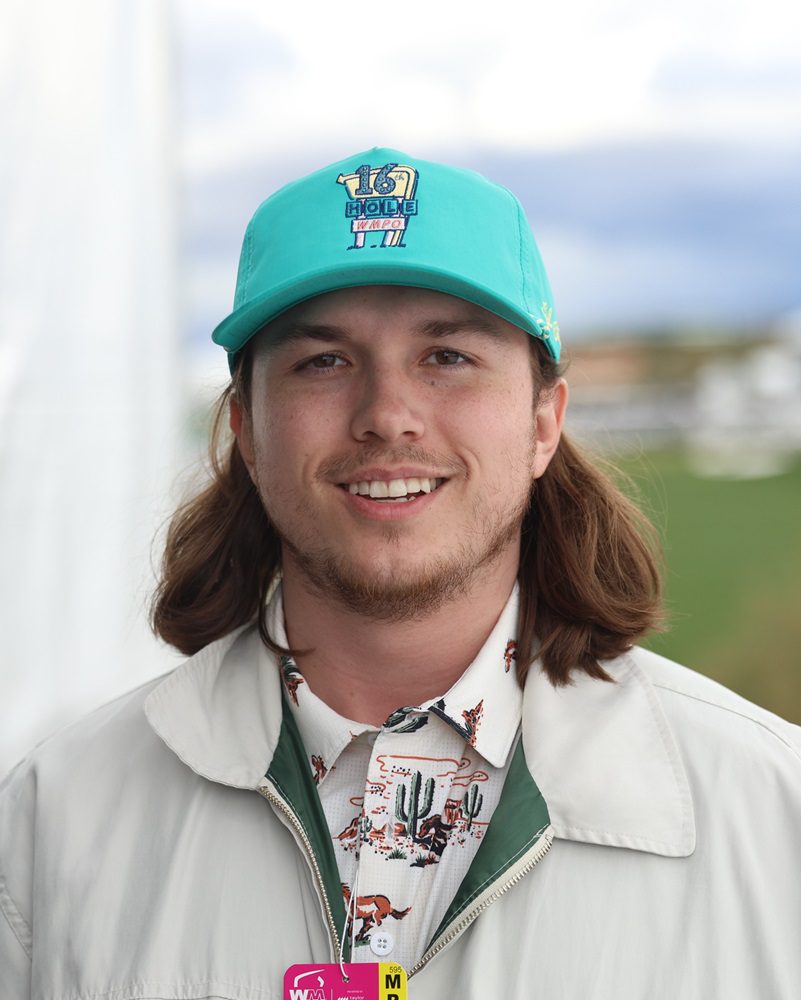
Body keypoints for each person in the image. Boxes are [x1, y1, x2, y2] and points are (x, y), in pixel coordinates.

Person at [1, 148, 800, 999]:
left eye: (446, 356)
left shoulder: (773, 815)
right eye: (323, 361)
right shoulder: (57, 818)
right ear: (246, 427)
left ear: (542, 421)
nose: (387, 416)